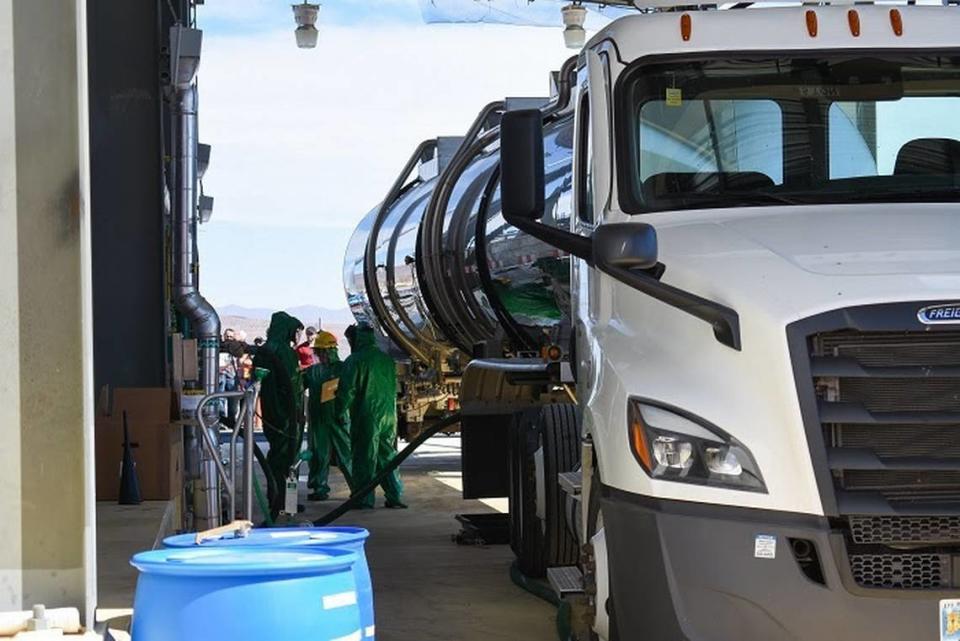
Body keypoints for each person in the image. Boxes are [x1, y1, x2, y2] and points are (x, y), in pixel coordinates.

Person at [336, 323, 406, 509]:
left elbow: (347, 391)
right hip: (389, 416)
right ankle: (395, 495)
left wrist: (339, 411)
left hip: (367, 415)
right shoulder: (387, 360)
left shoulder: (355, 360)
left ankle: (364, 499)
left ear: (356, 339)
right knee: (387, 455)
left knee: (364, 457)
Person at [252, 311, 305, 517]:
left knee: (280, 457)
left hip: (274, 415)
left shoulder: (265, 351)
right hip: (287, 416)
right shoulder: (284, 352)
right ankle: (282, 503)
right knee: (288, 460)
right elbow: (291, 385)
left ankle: (281, 501)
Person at [303, 330, 353, 501]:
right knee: (318, 454)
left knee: (345, 454)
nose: (317, 355)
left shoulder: (344, 369)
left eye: (319, 352)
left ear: (328, 351)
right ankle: (319, 488)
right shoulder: (314, 371)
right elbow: (296, 387)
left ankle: (358, 488)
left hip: (337, 418)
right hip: (323, 420)